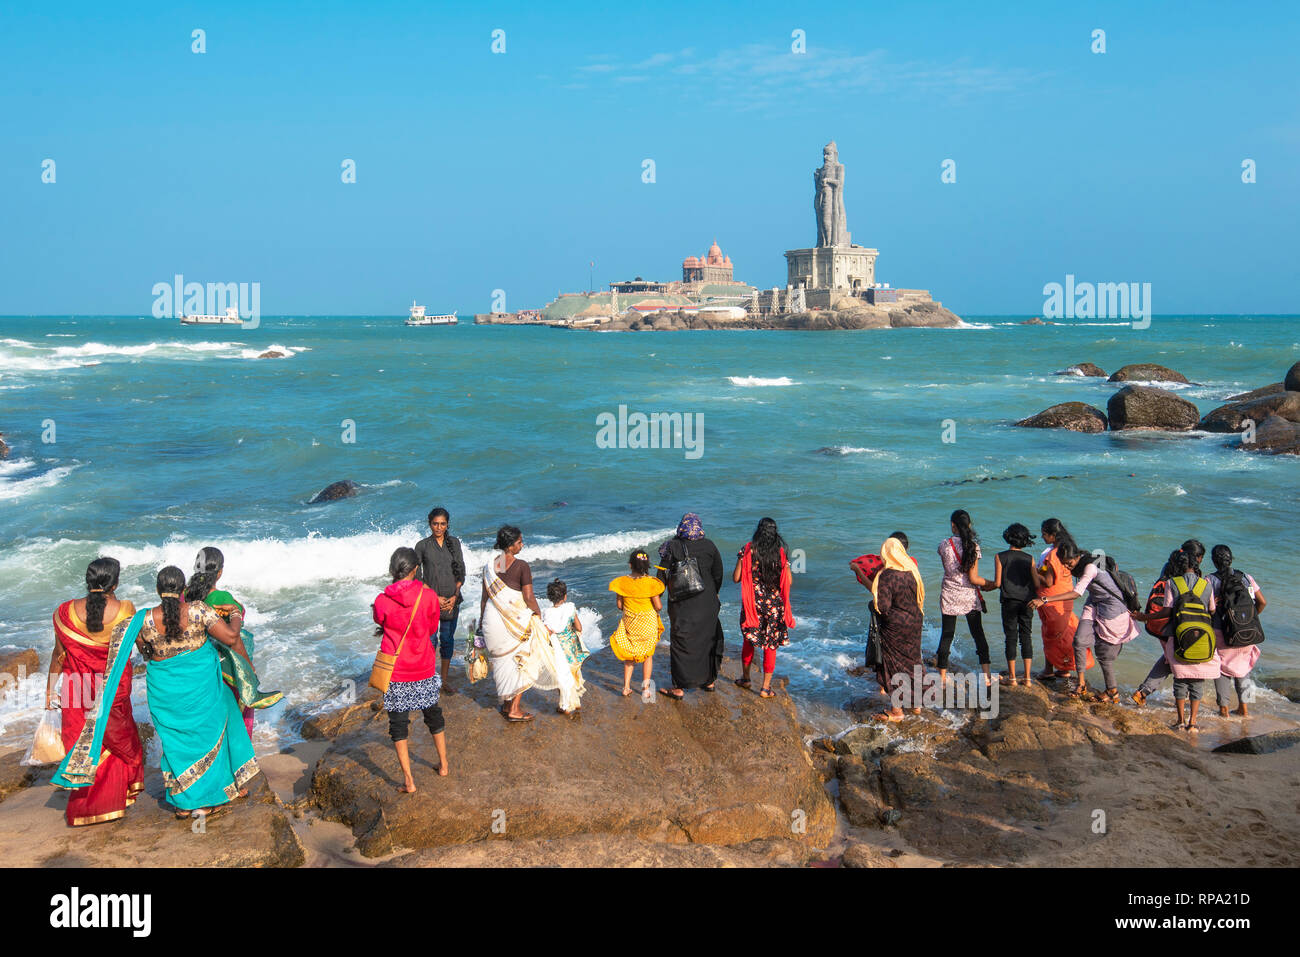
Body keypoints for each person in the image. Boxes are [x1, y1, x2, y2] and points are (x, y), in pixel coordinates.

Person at [132, 566, 259, 818]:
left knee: (178, 742)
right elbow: (232, 638)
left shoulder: (143, 619)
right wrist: (234, 613)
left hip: (165, 691)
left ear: (158, 590)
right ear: (182, 590)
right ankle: (206, 799)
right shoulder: (198, 610)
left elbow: (145, 653)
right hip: (200, 686)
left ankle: (183, 802)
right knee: (208, 736)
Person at [46, 558, 145, 826]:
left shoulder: (64, 612)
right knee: (113, 742)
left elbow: (58, 655)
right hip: (112, 691)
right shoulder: (125, 610)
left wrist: (48, 691)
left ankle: (85, 809)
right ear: (115, 583)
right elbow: (142, 648)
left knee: (84, 744)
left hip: (75, 692)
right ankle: (114, 801)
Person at [479, 525, 581, 720]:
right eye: (519, 542)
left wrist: (481, 623)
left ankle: (506, 705)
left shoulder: (491, 565)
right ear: (510, 545)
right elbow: (528, 597)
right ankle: (514, 709)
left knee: (503, 662)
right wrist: (538, 615)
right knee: (524, 660)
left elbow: (485, 598)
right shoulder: (521, 566)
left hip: (491, 620)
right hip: (514, 622)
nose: (522, 545)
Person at [184, 546, 281, 739]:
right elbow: (232, 637)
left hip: (197, 665)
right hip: (225, 666)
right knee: (237, 714)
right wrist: (248, 667)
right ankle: (239, 760)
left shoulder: (184, 595)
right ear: (219, 573)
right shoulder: (222, 597)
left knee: (209, 721)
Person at [373, 547, 448, 791]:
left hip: (396, 671)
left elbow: (379, 620)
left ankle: (408, 780)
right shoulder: (427, 596)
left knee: (398, 725)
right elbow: (432, 626)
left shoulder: (382, 600)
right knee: (433, 715)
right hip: (423, 665)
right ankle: (444, 765)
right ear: (415, 568)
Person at [1031, 545, 1145, 702]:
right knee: (1078, 641)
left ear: (1077, 557)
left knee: (1104, 654)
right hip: (1094, 601)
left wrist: (1045, 599)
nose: (1066, 566)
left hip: (1111, 607)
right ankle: (1081, 683)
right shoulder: (1069, 561)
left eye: (1068, 563)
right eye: (1064, 563)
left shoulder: (1090, 567)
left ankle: (1111, 690)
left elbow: (1076, 593)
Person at [657, 512, 725, 697]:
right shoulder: (710, 545)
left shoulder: (672, 546)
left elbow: (661, 575)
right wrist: (715, 592)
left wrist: (655, 597)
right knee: (707, 638)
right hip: (708, 600)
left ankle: (679, 687)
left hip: (682, 603)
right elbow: (718, 573)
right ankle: (709, 681)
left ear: (682, 527)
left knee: (681, 641)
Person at [1154, 549, 1220, 732]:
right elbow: (1212, 610)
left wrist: (1146, 617)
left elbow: (1167, 610)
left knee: (1180, 680)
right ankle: (1193, 722)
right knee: (1197, 681)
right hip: (1202, 638)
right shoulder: (1206, 585)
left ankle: (1180, 720)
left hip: (1178, 637)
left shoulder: (1172, 583)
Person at [731, 517, 796, 699]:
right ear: (775, 533)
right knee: (770, 645)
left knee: (749, 641)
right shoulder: (780, 554)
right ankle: (765, 688)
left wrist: (742, 560)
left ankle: (746, 678)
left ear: (758, 531)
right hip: (774, 606)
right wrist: (787, 565)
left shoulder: (748, 550)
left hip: (753, 605)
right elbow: (788, 582)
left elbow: (736, 578)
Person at [935, 509, 994, 687]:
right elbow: (974, 578)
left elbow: (949, 567)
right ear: (969, 525)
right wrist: (992, 584)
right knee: (978, 634)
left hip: (949, 593)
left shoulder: (944, 545)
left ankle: (942, 677)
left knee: (947, 635)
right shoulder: (973, 547)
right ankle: (986, 677)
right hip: (969, 596)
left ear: (953, 525)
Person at [1207, 544, 1266, 718]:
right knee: (1244, 668)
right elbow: (1262, 602)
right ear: (1231, 559)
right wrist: (1251, 618)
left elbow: (1208, 607)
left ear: (1214, 561)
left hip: (1222, 632)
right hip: (1247, 630)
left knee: (1222, 670)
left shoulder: (1210, 580)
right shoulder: (1246, 578)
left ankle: (1224, 710)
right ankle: (1244, 709)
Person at [871, 537, 926, 722]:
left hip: (896, 625)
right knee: (913, 660)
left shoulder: (887, 575)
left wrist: (873, 605)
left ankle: (897, 711)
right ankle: (917, 705)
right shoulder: (912, 571)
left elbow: (884, 607)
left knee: (893, 664)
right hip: (915, 621)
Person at [414, 508, 466, 694]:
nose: (439, 527)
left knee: (447, 640)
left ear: (447, 524)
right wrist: (434, 597)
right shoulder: (422, 546)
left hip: (452, 601)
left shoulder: (454, 543)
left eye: (442, 524)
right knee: (429, 641)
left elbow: (461, 572)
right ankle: (428, 679)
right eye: (435, 523)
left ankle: (443, 680)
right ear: (430, 524)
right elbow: (416, 576)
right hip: (429, 602)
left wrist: (454, 596)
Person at [1033, 518, 1088, 680]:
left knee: (1049, 634)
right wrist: (1040, 570)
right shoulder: (1067, 549)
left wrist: (1032, 570)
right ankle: (1064, 668)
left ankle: (1049, 669)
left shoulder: (1052, 554)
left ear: (1053, 535)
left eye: (1044, 534)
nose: (1042, 537)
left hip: (1050, 598)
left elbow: (1049, 580)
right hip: (1065, 596)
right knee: (1064, 633)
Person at [609, 550, 666, 697]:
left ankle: (626, 687)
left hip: (631, 623)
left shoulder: (621, 583)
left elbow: (620, 606)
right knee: (648, 656)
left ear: (630, 565)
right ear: (647, 565)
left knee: (630, 655)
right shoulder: (651, 583)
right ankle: (646, 689)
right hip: (648, 624)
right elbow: (658, 606)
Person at [988, 524, 1037, 686]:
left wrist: (984, 587)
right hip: (1028, 601)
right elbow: (1036, 582)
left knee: (1010, 637)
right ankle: (1028, 678)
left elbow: (997, 583)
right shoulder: (1030, 559)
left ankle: (1013, 678)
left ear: (1008, 537)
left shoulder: (1000, 556)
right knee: (1026, 636)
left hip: (1009, 601)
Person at [542, 579, 589, 700]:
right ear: (565, 596)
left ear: (550, 598)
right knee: (572, 673)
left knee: (561, 677)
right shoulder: (569, 609)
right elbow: (579, 627)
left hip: (557, 652)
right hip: (571, 650)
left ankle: (565, 702)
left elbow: (547, 633)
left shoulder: (547, 613)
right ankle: (574, 700)